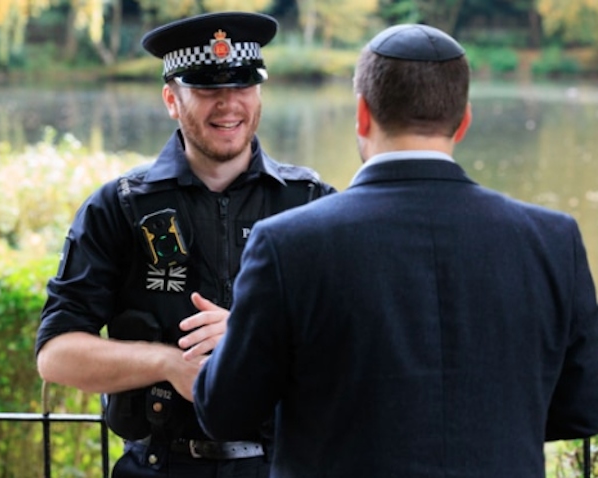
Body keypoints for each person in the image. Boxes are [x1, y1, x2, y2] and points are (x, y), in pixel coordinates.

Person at [193, 23, 598, 477]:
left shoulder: (288, 244)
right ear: (463, 120)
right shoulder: (552, 240)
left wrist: (237, 340)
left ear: (363, 114)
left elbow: (225, 413)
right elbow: (581, 406)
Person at [34, 11, 335, 478]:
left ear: (260, 93)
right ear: (171, 100)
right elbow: (56, 355)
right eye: (208, 90)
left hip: (284, 466)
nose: (228, 105)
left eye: (241, 86)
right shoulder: (118, 207)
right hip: (158, 467)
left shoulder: (312, 203)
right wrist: (168, 363)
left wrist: (249, 338)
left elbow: (359, 342)